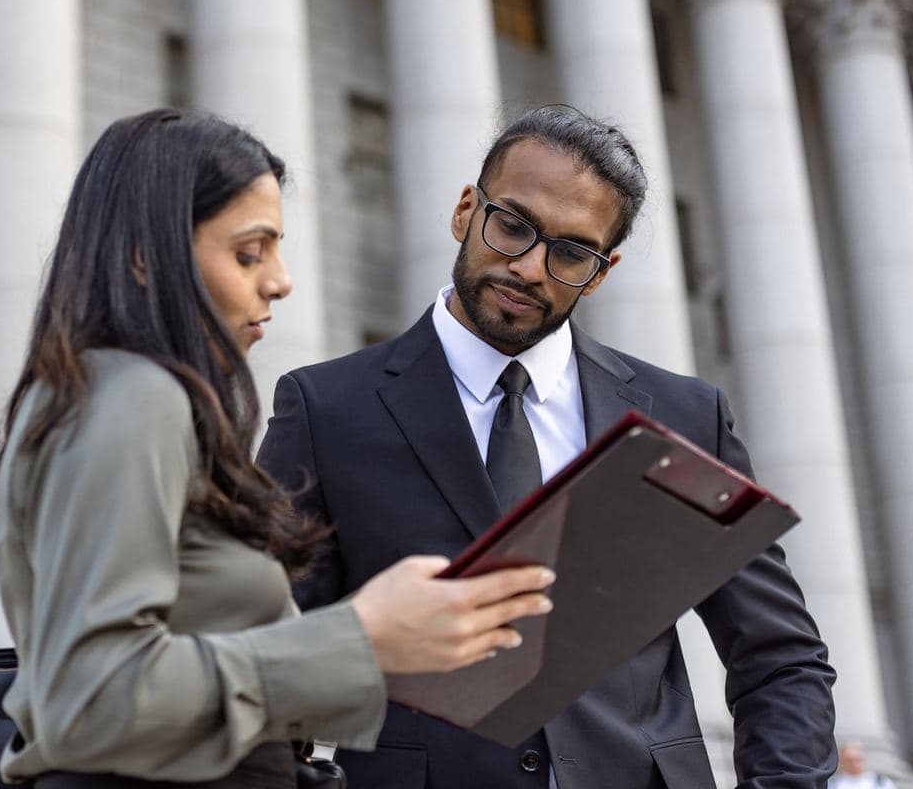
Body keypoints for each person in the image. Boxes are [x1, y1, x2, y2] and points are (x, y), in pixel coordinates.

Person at [258, 106, 839, 789]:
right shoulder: (327, 410)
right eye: (513, 226)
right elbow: (267, 641)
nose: (530, 268)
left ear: (600, 272)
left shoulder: (685, 416)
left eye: (570, 253)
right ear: (465, 211)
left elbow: (779, 654)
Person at [0, 109, 555, 787]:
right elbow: (89, 698)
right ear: (146, 256)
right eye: (249, 253)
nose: (281, 280)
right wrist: (363, 635)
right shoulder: (134, 396)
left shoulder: (118, 395)